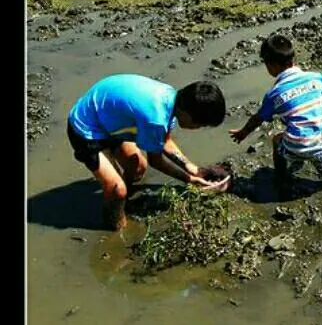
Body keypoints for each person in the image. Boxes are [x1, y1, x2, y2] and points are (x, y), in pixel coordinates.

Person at [66, 75, 228, 230]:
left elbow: (164, 141)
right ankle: (116, 226)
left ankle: (123, 199)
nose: (197, 129)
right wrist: (189, 179)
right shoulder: (155, 118)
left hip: (107, 119)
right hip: (84, 129)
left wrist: (192, 168)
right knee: (117, 189)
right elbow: (156, 161)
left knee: (137, 168)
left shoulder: (172, 98)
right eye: (200, 124)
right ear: (187, 114)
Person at [229, 34, 322, 190]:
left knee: (277, 139)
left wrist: (243, 133)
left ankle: (281, 176)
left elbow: (258, 118)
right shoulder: (314, 78)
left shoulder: (274, 94)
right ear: (293, 59)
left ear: (270, 65)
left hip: (296, 145)